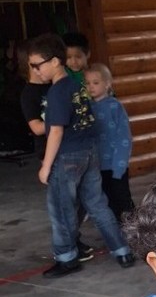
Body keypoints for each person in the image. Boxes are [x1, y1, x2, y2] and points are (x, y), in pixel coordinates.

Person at [27, 33, 134, 277]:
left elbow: (55, 131)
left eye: (37, 65)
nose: (35, 71)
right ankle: (122, 250)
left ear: (54, 62)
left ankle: (66, 258)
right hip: (89, 153)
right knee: (98, 204)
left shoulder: (56, 92)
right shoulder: (78, 86)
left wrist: (46, 166)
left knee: (61, 209)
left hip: (67, 157)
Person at [83, 62, 135, 222]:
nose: (91, 87)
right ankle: (116, 236)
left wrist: (119, 165)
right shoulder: (86, 108)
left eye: (96, 83)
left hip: (115, 164)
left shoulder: (115, 107)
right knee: (106, 202)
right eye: (87, 83)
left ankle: (135, 233)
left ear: (107, 84)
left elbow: (124, 137)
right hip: (96, 165)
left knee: (123, 200)